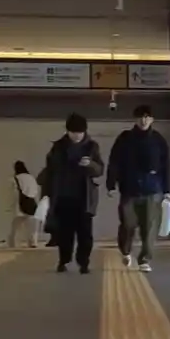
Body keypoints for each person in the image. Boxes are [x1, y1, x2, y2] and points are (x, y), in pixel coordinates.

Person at [107, 105, 170, 272]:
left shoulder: (158, 140)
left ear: (152, 120)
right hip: (129, 188)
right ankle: (125, 250)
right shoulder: (125, 138)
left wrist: (167, 189)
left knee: (149, 227)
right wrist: (111, 184)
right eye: (141, 117)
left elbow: (166, 166)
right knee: (128, 223)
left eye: (147, 117)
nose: (144, 120)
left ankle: (144, 259)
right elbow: (114, 162)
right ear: (135, 119)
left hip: (152, 189)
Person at [44, 113, 104, 274]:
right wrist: (47, 194)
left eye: (80, 132)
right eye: (73, 132)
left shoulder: (92, 147)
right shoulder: (58, 147)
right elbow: (50, 171)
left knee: (85, 234)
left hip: (85, 198)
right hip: (63, 197)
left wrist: (90, 164)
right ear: (67, 131)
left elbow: (99, 170)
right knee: (65, 234)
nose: (76, 136)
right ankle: (63, 260)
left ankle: (84, 263)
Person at [9, 160, 41, 249]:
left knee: (16, 226)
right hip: (31, 202)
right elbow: (36, 190)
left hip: (19, 204)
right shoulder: (31, 178)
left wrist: (10, 205)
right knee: (32, 225)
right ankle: (33, 242)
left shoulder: (15, 179)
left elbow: (13, 193)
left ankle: (13, 243)